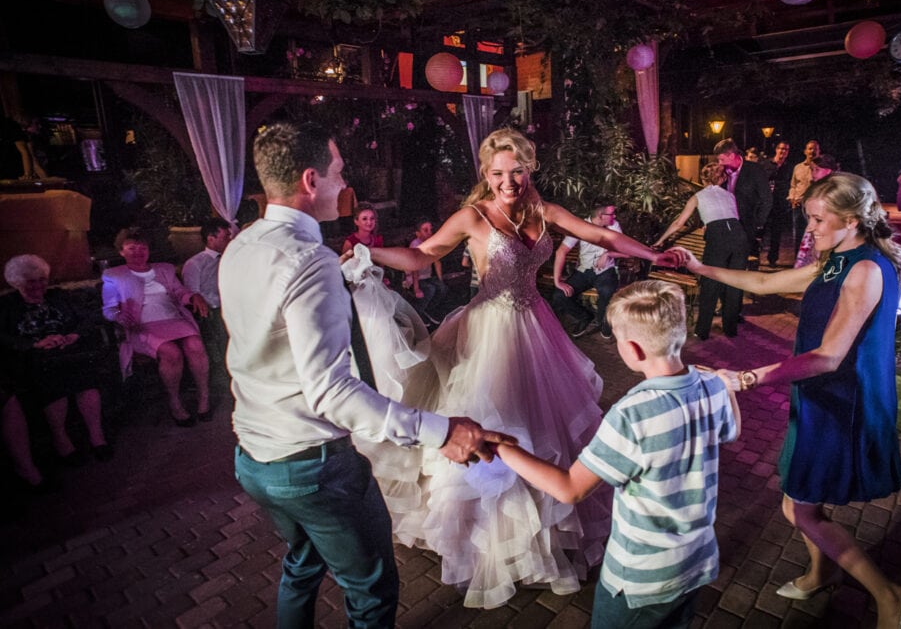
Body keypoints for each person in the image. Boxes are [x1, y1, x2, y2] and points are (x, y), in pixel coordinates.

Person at [361, 127, 682, 608]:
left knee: (546, 428)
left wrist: (654, 253)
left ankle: (547, 532)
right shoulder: (472, 216)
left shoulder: (543, 212)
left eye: (516, 172)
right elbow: (423, 255)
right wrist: (367, 253)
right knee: (496, 426)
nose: (507, 182)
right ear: (485, 175)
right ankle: (492, 541)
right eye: (497, 174)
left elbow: (600, 234)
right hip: (489, 333)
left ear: (529, 169)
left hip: (538, 326)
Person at [220, 121, 514, 628]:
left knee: (301, 566)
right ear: (311, 181)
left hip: (253, 457)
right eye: (337, 172)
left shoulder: (241, 247)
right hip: (312, 466)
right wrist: (439, 430)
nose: (343, 182)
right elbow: (332, 390)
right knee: (372, 592)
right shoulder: (310, 262)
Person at [676, 173, 901, 629]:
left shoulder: (866, 269)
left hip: (841, 401)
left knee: (799, 505)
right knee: (799, 496)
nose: (808, 229)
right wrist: (699, 268)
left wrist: (747, 377)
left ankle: (892, 596)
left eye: (816, 219)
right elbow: (765, 284)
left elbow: (829, 357)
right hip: (816, 395)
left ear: (851, 221)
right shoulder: (835, 260)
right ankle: (822, 570)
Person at [494, 280, 740, 629]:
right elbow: (733, 430)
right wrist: (726, 385)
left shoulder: (632, 414)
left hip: (641, 576)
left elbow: (570, 488)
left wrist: (502, 447)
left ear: (634, 350)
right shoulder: (713, 386)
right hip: (696, 561)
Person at [1, 255, 111, 473]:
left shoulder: (59, 296)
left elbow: (89, 318)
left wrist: (74, 335)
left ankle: (97, 437)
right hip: (37, 358)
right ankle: (62, 441)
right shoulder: (7, 306)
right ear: (17, 282)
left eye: (42, 279)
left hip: (70, 351)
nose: (38, 285)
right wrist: (36, 343)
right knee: (54, 384)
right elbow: (4, 337)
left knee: (86, 382)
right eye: (31, 281)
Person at [102, 228, 211, 427]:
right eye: (131, 248)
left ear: (149, 249)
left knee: (195, 344)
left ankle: (204, 397)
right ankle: (175, 402)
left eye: (142, 247)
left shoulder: (165, 269)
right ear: (121, 251)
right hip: (142, 325)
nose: (138, 252)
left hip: (173, 319)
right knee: (171, 352)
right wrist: (119, 316)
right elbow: (108, 309)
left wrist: (192, 296)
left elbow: (179, 292)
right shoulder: (113, 276)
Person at [653, 163, 748, 340]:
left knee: (710, 281)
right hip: (739, 235)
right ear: (721, 178)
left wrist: (660, 241)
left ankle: (702, 330)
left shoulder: (697, 196)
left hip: (718, 237)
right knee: (735, 282)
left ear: (703, 179)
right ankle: (730, 328)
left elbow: (678, 223)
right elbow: (731, 217)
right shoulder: (729, 195)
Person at [550, 199, 623, 339]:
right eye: (612, 214)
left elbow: (626, 250)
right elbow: (561, 252)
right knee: (559, 295)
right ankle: (584, 317)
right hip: (584, 271)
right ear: (601, 216)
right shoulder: (579, 226)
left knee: (607, 291)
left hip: (605, 271)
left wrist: (608, 254)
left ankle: (604, 322)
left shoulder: (614, 225)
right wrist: (557, 281)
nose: (615, 217)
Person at [182, 217, 232, 392]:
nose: (229, 240)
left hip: (232, 306)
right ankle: (225, 380)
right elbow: (192, 294)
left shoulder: (232, 258)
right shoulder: (195, 264)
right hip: (212, 311)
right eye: (225, 236)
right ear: (211, 238)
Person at [714, 138, 771, 263]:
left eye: (722, 159)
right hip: (728, 226)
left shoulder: (755, 170)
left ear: (732, 156)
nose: (720, 163)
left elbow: (766, 199)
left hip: (748, 226)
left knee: (746, 263)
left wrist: (758, 223)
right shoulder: (722, 172)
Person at [794, 154, 838, 268]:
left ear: (829, 171)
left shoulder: (835, 189)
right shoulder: (815, 188)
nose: (813, 173)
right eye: (812, 170)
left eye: (817, 170)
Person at [407, 219, 448, 325]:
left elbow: (437, 262)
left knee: (441, 288)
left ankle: (429, 310)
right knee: (430, 289)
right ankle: (418, 313)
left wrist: (440, 280)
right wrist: (416, 288)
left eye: (430, 230)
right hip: (414, 278)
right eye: (425, 230)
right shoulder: (415, 245)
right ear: (418, 233)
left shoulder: (432, 243)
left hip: (427, 277)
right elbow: (414, 268)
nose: (429, 233)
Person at [763, 141, 793, 268]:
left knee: (776, 232)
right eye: (781, 149)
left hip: (779, 203)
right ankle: (754, 256)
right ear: (776, 150)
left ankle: (772, 259)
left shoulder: (789, 167)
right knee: (761, 231)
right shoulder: (766, 164)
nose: (783, 152)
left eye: (785, 150)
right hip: (766, 202)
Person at [787, 140, 821, 247]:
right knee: (799, 234)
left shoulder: (822, 169)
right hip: (799, 205)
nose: (812, 151)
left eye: (815, 149)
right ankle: (799, 260)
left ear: (819, 151)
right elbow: (793, 185)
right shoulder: (798, 167)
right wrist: (792, 198)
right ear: (805, 151)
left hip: (816, 206)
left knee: (815, 233)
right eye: (810, 149)